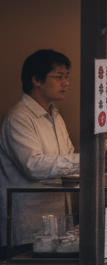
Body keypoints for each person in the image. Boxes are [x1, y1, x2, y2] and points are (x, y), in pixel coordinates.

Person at [0, 50, 77, 249]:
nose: (65, 83)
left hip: (57, 219)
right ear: (36, 80)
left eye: (67, 77)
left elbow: (68, 157)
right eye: (59, 77)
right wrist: (86, 159)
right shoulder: (18, 118)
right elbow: (33, 166)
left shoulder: (55, 115)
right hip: (27, 223)